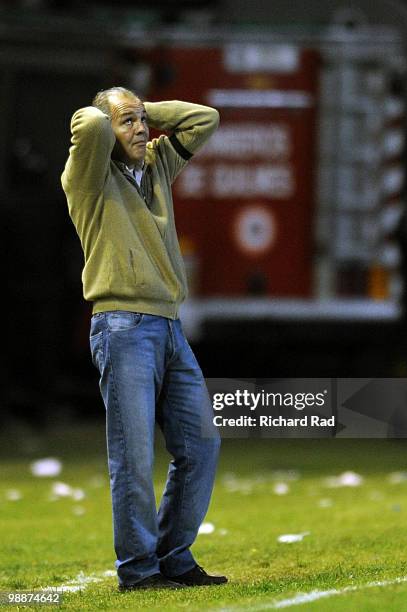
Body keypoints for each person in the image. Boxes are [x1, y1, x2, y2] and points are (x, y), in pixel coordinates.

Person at [61, 87, 225, 591]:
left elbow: (206, 119)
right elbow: (88, 123)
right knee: (132, 456)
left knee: (201, 443)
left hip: (170, 325)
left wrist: (143, 112)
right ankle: (138, 571)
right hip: (122, 326)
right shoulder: (87, 177)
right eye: (128, 123)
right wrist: (114, 113)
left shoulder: (156, 166)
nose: (141, 131)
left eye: (143, 121)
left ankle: (173, 557)